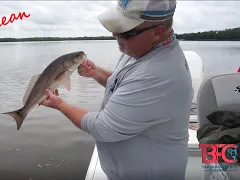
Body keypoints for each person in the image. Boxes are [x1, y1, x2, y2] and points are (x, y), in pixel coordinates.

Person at [40, 0, 194, 179]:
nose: (114, 34)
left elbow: (102, 128)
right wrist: (96, 72)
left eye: (126, 31)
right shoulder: (143, 49)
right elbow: (125, 85)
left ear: (157, 32)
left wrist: (60, 105)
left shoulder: (160, 74)